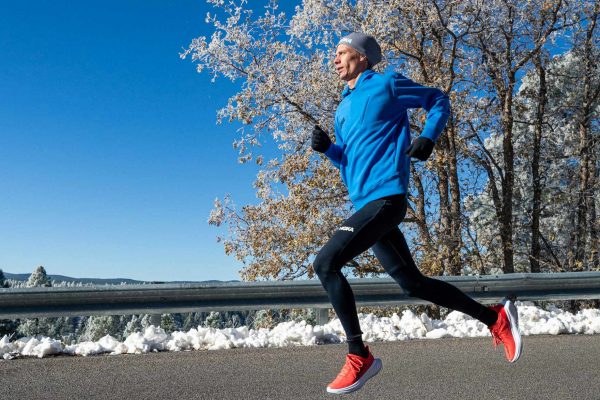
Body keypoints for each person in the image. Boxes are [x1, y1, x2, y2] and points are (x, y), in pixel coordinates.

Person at [311, 32, 522, 395]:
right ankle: (495, 318)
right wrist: (330, 149)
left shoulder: (387, 84)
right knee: (412, 284)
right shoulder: (342, 108)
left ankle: (358, 354)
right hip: (365, 203)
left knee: (325, 263)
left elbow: (437, 99)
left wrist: (428, 135)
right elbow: (350, 165)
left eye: (341, 53)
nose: (335, 60)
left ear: (362, 57)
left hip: (387, 198)